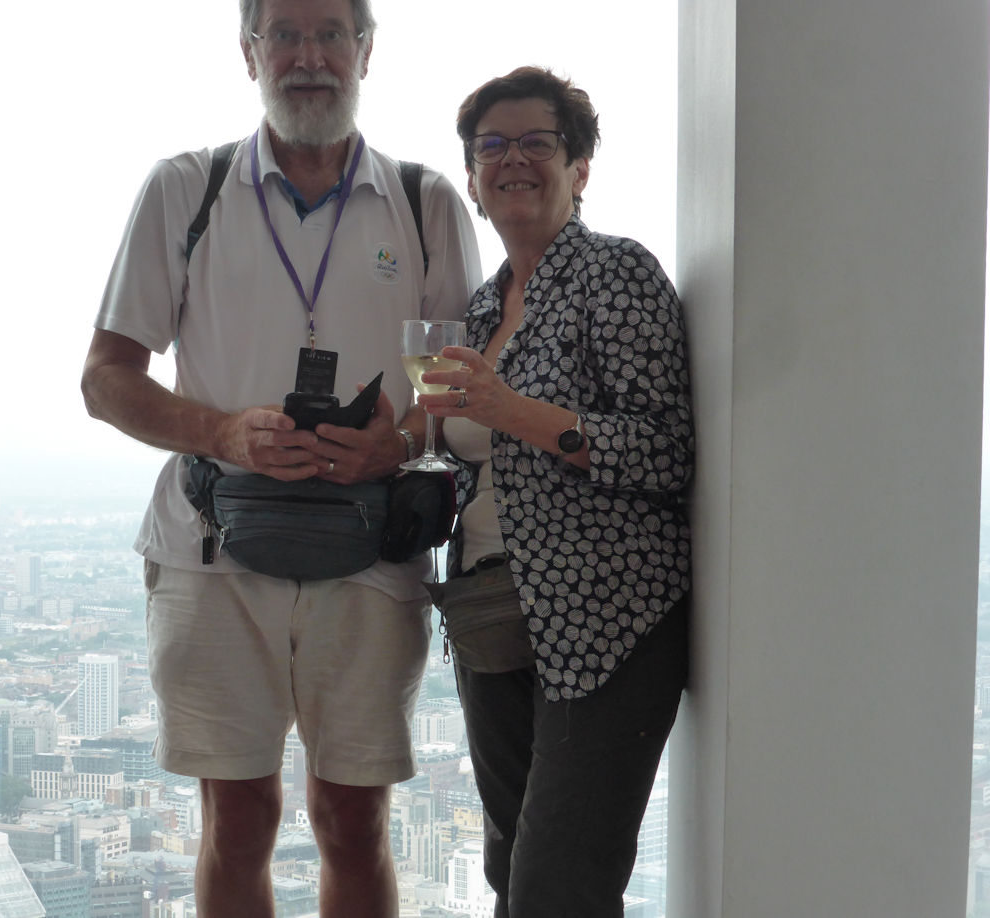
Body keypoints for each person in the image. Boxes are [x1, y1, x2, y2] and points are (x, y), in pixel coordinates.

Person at [80, 1, 482, 915]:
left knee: (354, 821)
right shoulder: (188, 188)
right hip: (212, 545)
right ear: (248, 53)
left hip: (370, 544)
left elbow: (465, 392)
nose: (309, 58)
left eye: (331, 35)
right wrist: (221, 433)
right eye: (286, 35)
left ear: (367, 52)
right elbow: (105, 380)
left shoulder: (425, 203)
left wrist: (401, 441)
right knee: (237, 820)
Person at [417, 66, 693, 917]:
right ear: (470, 178)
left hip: (605, 623)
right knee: (513, 875)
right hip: (495, 615)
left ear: (580, 168)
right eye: (490, 147)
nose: (512, 160)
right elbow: (475, 456)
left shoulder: (615, 274)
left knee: (558, 887)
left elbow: (664, 449)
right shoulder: (477, 308)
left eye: (537, 142)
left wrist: (514, 412)